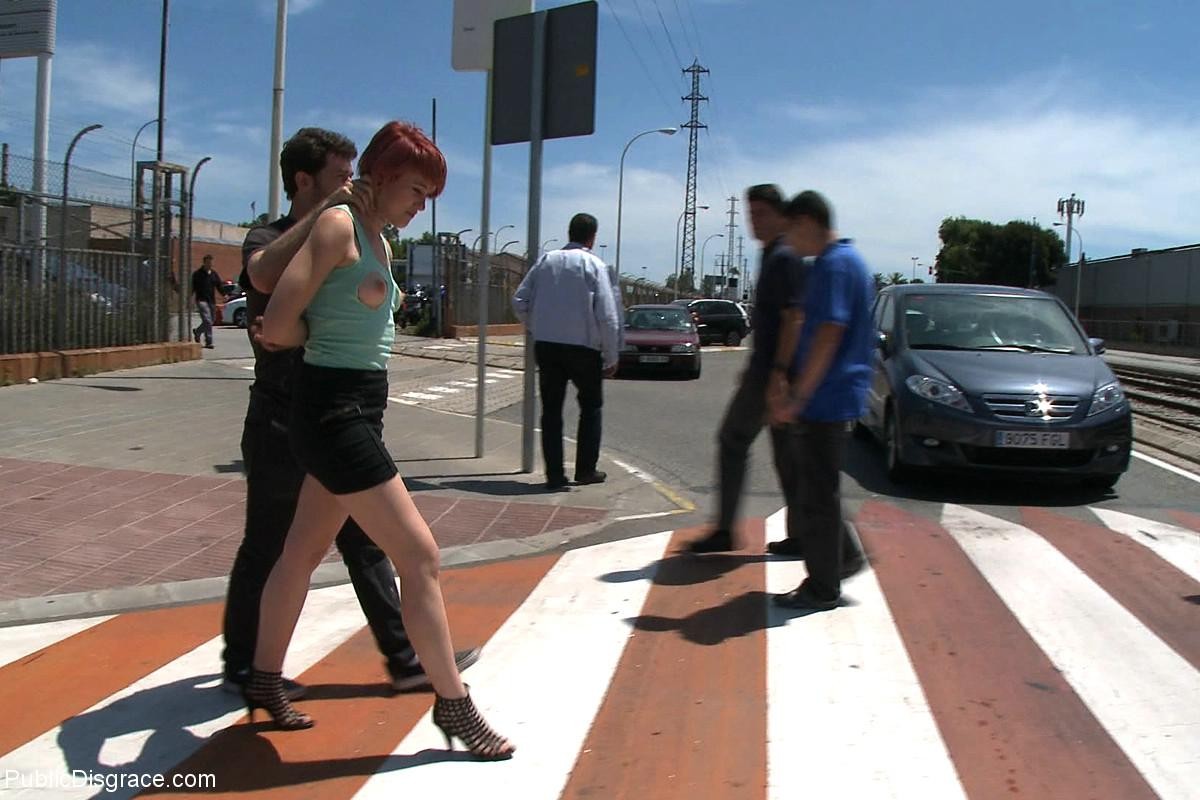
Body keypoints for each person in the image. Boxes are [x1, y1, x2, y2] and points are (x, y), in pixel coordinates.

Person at [253, 120, 513, 759]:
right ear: (385, 176)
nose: (421, 204)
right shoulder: (339, 226)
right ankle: (453, 706)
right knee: (420, 556)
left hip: (359, 411)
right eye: (417, 190)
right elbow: (279, 318)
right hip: (333, 414)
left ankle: (263, 679)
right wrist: (301, 342)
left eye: (429, 195)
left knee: (300, 554)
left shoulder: (376, 238)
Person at [687, 185, 808, 554]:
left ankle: (726, 530)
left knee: (733, 440)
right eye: (750, 214)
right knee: (787, 457)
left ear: (780, 214)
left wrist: (777, 373)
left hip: (774, 374)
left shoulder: (784, 255)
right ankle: (804, 535)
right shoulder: (774, 253)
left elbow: (793, 317)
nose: (753, 222)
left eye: (760, 214)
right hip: (771, 371)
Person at [770, 190, 873, 611]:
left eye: (791, 231)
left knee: (815, 496)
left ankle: (823, 586)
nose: (790, 243)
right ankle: (843, 557)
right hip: (836, 395)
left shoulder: (833, 266)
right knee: (821, 490)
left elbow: (829, 333)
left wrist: (797, 395)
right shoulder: (849, 261)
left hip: (826, 397)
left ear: (809, 222)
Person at [512, 214, 620, 491]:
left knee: (551, 411)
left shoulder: (546, 261)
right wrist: (611, 356)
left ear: (569, 232)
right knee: (591, 407)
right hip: (584, 348)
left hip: (548, 346)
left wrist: (536, 326)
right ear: (592, 237)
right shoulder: (595, 265)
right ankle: (585, 470)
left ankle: (555, 475)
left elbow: (520, 300)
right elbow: (607, 316)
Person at [191, 255, 222, 348]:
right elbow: (192, 287)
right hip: (201, 300)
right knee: (207, 320)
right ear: (204, 262)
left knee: (211, 321)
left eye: (211, 262)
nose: (210, 264)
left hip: (211, 300)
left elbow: (219, 285)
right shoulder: (197, 274)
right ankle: (209, 341)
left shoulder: (213, 274)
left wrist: (224, 294)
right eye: (208, 262)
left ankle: (197, 331)